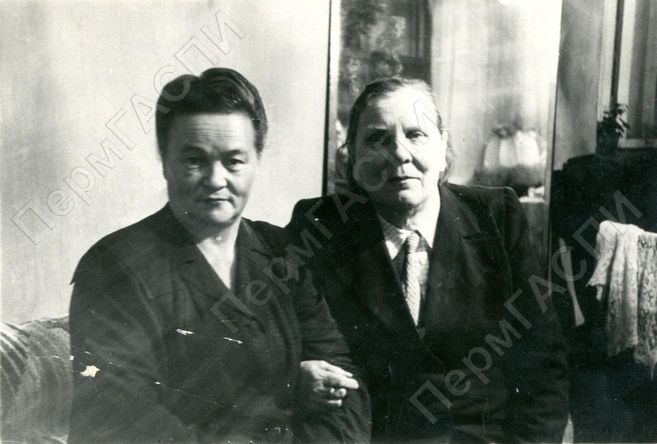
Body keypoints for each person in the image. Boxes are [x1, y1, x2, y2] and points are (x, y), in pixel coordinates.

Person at [68, 68, 370, 443]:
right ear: (165, 160)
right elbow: (122, 427)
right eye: (194, 160)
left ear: (257, 160)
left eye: (233, 161)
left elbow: (347, 389)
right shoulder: (115, 267)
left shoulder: (283, 252)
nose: (215, 180)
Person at [287, 77, 570, 442]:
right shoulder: (320, 227)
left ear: (442, 145)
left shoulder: (497, 218)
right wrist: (294, 375)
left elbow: (545, 371)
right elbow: (277, 340)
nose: (399, 153)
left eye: (416, 134)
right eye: (377, 139)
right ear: (352, 156)